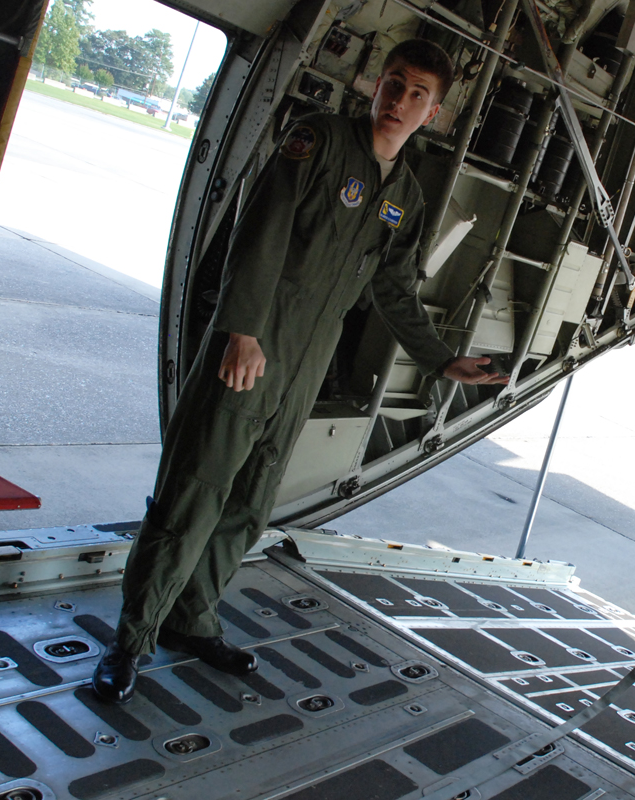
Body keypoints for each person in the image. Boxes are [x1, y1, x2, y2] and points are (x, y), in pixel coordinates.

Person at [92, 40, 506, 705]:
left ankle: (191, 619)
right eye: (394, 85)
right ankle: (130, 640)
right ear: (375, 84)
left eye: (417, 95)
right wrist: (243, 332)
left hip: (305, 368)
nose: (399, 102)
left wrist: (440, 358)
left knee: (251, 503)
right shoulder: (317, 142)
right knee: (192, 496)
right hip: (254, 347)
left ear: (435, 112)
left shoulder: (404, 193)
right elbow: (258, 235)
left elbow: (396, 288)